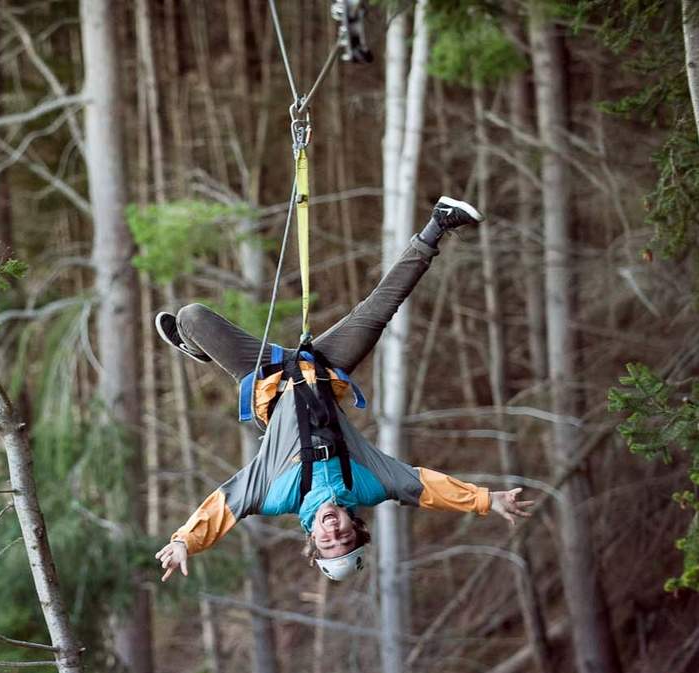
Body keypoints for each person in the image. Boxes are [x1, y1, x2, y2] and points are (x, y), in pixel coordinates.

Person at [152, 196, 534, 583]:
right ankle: (439, 222)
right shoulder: (370, 483)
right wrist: (486, 500)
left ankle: (196, 345)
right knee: (378, 309)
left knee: (191, 317)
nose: (334, 533)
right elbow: (427, 488)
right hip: (323, 368)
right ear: (356, 527)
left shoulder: (273, 494)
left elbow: (223, 505)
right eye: (345, 539)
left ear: (312, 538)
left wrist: (185, 541)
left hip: (268, 377)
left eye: (328, 542)